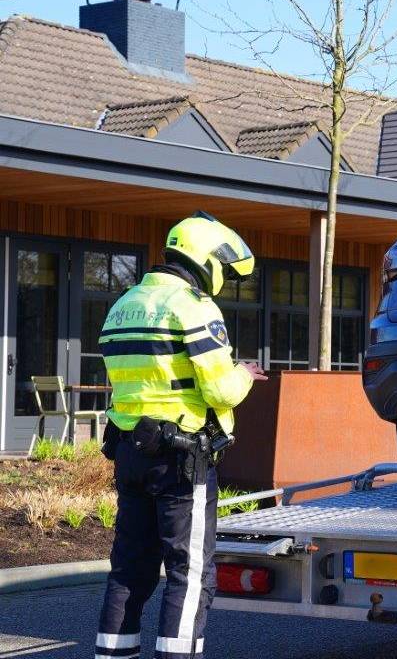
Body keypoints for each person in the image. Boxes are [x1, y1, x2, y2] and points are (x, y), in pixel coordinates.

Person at [95, 212, 267, 659]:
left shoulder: (124, 304)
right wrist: (243, 373)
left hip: (131, 453)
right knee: (189, 575)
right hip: (180, 460)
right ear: (204, 258)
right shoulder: (193, 306)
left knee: (129, 571)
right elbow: (219, 388)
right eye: (223, 270)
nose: (223, 282)